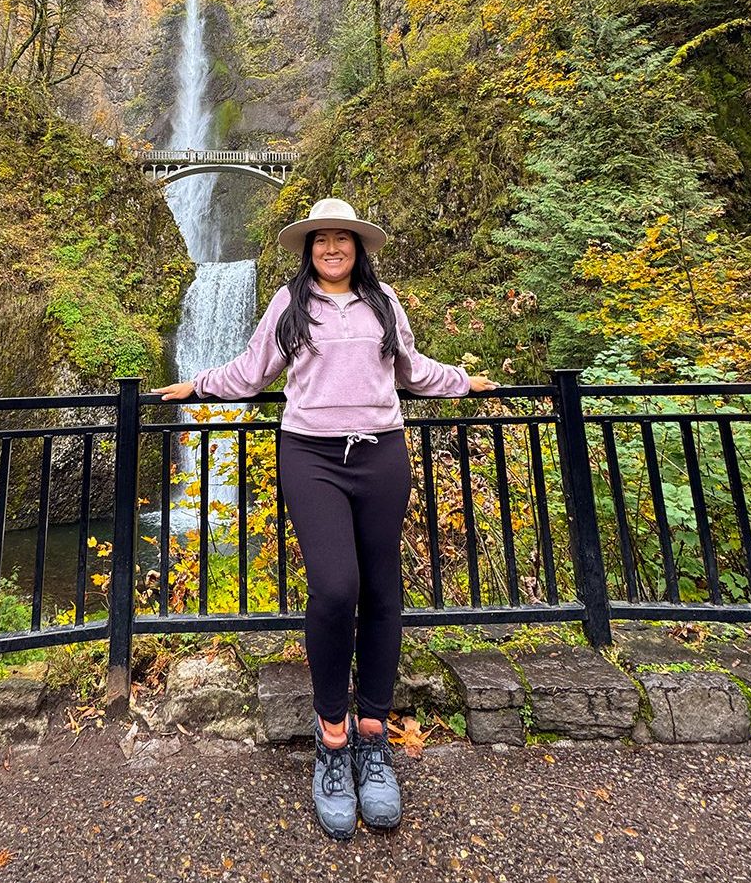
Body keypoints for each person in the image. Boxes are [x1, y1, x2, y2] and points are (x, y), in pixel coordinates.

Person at [153, 198, 498, 839]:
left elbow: (412, 370)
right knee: (335, 589)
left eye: (343, 239)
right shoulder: (289, 305)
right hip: (310, 453)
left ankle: (373, 737)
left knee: (385, 593)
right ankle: (331, 739)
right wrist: (197, 385)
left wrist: (461, 380)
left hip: (381, 453)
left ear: (357, 248)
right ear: (309, 249)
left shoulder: (383, 300)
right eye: (321, 241)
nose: (332, 249)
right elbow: (253, 373)